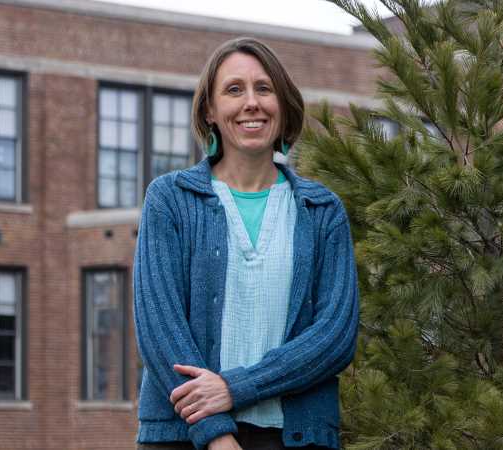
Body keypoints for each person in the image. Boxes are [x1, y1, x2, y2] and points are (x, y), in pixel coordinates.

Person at [133, 36, 359, 450]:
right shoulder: (169, 200)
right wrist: (216, 433)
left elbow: (335, 335)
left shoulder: (322, 210)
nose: (251, 103)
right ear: (210, 110)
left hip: (296, 437)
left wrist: (236, 387)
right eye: (234, 90)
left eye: (264, 88)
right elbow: (159, 327)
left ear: (283, 105)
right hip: (185, 436)